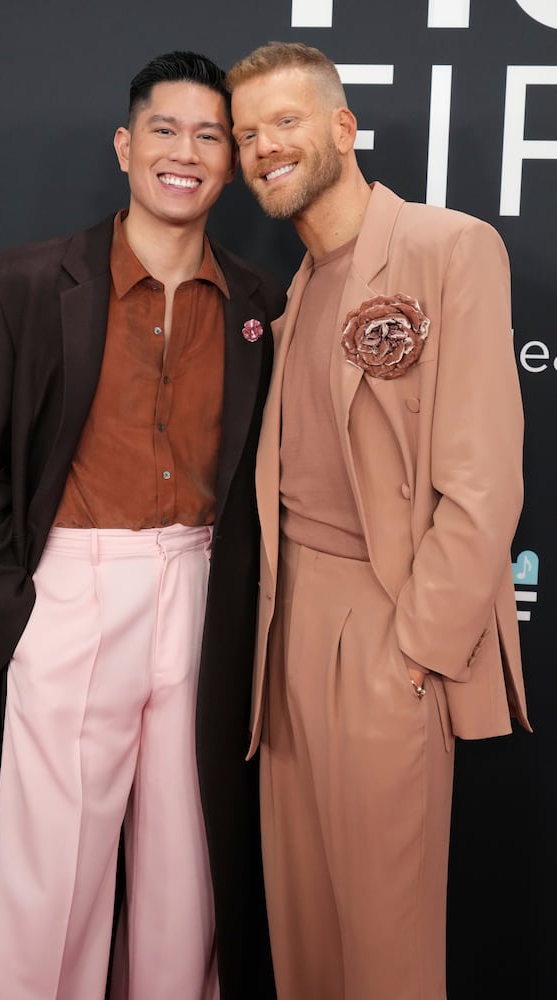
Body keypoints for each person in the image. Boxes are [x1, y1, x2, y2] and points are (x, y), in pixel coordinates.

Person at [0, 50, 284, 1000]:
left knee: (189, 874)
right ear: (126, 146)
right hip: (72, 593)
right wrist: (23, 625)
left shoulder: (259, 302)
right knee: (53, 880)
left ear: (230, 163)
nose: (187, 152)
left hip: (204, 591)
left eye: (211, 136)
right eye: (165, 130)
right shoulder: (30, 281)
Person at [226, 41, 530, 1000]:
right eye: (245, 135)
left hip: (385, 624)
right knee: (302, 925)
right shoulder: (294, 292)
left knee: (385, 941)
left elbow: (481, 485)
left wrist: (414, 651)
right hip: (286, 628)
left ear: (343, 128)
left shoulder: (449, 247)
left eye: (284, 121)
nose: (263, 147)